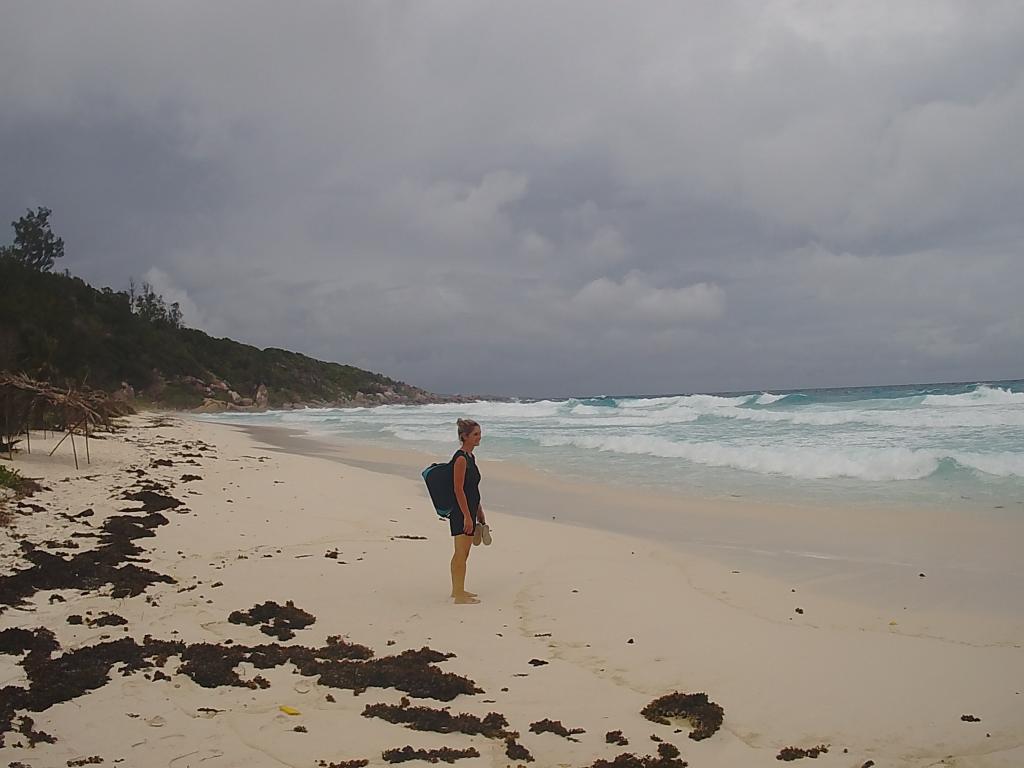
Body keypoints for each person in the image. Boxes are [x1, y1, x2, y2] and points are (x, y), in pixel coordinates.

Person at [450, 418, 486, 604]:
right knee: (460, 552)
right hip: (460, 511)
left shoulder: (471, 457)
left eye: (479, 433)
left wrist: (478, 511)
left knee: (465, 553)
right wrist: (466, 516)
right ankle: (458, 594)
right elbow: (458, 489)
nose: (480, 437)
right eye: (475, 434)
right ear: (465, 437)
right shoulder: (461, 459)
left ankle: (459, 590)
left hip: (470, 510)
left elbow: (472, 488)